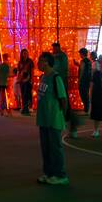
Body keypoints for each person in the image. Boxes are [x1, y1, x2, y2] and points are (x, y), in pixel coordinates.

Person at [35, 51, 69, 185]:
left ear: (47, 62)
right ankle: (48, 173)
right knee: (46, 148)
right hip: (43, 119)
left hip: (53, 119)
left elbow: (63, 99)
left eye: (40, 60)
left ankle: (60, 175)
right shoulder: (43, 77)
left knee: (55, 148)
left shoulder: (56, 77)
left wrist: (63, 115)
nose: (38, 63)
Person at [16, 49, 35, 115]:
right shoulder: (20, 62)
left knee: (28, 93)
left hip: (28, 80)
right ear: (22, 54)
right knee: (22, 93)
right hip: (21, 80)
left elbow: (32, 71)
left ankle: (29, 107)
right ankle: (24, 107)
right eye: (24, 53)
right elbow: (18, 71)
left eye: (26, 53)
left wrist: (32, 79)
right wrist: (18, 79)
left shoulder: (30, 61)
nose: (25, 54)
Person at [75, 47, 92, 117]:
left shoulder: (83, 61)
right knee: (86, 94)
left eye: (80, 53)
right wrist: (78, 65)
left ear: (82, 54)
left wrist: (79, 80)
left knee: (83, 94)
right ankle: (87, 109)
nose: (79, 55)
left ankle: (86, 109)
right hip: (88, 80)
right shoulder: (89, 61)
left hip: (83, 80)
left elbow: (82, 71)